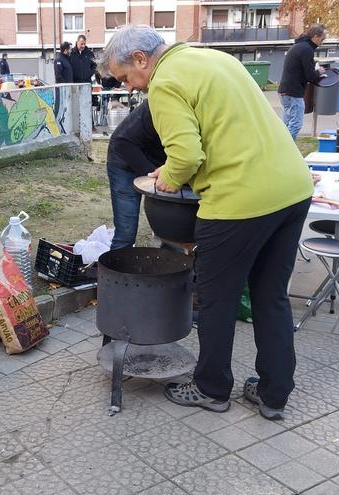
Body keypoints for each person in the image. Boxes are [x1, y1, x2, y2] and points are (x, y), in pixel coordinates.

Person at [99, 25, 313, 419]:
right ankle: (273, 393)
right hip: (293, 190)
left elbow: (185, 157)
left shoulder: (164, 82)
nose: (130, 88)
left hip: (239, 200)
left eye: (127, 77)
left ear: (142, 59)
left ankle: (212, 388)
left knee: (217, 299)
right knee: (271, 296)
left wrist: (167, 176)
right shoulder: (216, 59)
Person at [105, 99, 165, 250]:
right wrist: (152, 175)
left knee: (169, 231)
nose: (130, 90)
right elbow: (122, 142)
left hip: (157, 163)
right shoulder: (160, 103)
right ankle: (117, 269)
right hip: (123, 160)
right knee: (126, 231)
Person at [278, 24, 327, 140]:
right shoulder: (307, 50)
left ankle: (279, 148)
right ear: (315, 37)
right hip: (294, 93)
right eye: (322, 39)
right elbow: (310, 76)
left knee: (286, 124)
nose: (323, 42)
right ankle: (287, 151)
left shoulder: (299, 46)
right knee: (296, 124)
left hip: (284, 91)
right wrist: (319, 72)